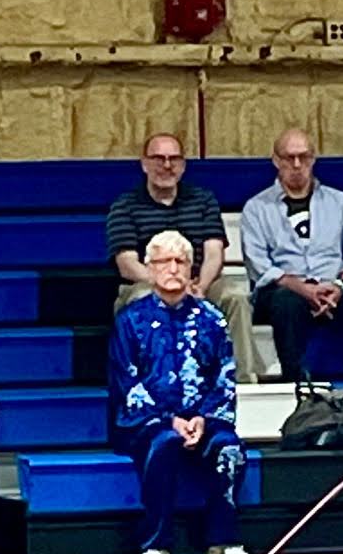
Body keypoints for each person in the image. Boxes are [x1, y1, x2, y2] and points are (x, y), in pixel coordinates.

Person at [107, 230, 250, 554]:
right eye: (163, 262)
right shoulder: (130, 321)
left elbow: (224, 377)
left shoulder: (212, 319)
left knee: (229, 448)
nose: (172, 269)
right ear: (150, 268)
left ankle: (224, 540)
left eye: (180, 261)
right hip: (148, 422)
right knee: (166, 442)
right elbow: (126, 382)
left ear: (191, 268)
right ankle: (155, 543)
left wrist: (204, 418)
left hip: (204, 419)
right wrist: (169, 420)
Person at [240, 128, 343, 381]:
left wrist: (338, 287)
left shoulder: (339, 202)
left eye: (303, 157)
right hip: (283, 292)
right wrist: (303, 289)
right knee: (285, 303)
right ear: (276, 161)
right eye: (289, 158)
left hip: (333, 288)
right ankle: (295, 383)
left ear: (313, 158)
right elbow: (259, 267)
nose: (296, 165)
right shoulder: (256, 208)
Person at [105, 133, 259, 382]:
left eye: (174, 159)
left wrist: (200, 286)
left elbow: (214, 254)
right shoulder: (124, 206)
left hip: (198, 282)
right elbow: (127, 264)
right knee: (141, 299)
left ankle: (241, 381)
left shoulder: (203, 200)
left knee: (235, 298)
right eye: (159, 159)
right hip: (148, 283)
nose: (167, 165)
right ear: (144, 164)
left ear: (183, 165)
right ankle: (150, 381)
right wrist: (169, 284)